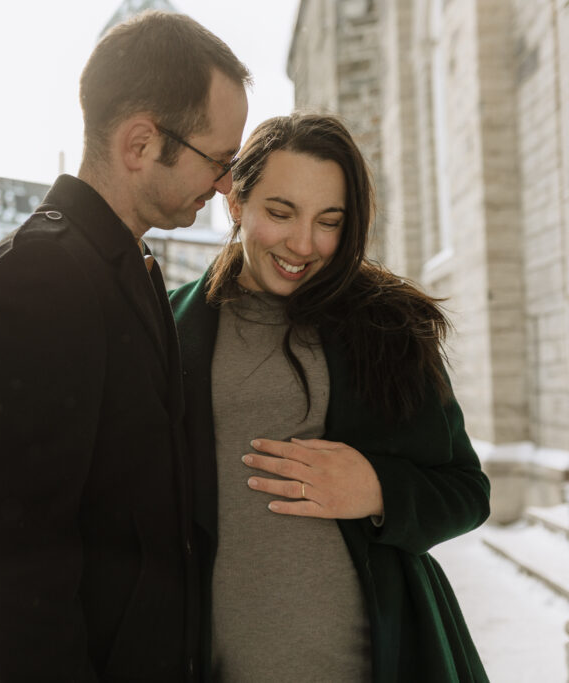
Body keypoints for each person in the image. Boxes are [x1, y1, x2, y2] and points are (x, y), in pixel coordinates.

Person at [0, 11, 250, 682]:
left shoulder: (129, 265)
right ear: (140, 143)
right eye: (219, 160)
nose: (225, 185)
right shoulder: (38, 278)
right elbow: (12, 561)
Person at [169, 113, 491, 682]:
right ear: (236, 205)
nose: (303, 244)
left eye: (329, 221)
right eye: (280, 212)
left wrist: (377, 489)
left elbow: (466, 492)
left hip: (375, 662)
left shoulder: (388, 329)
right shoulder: (168, 328)